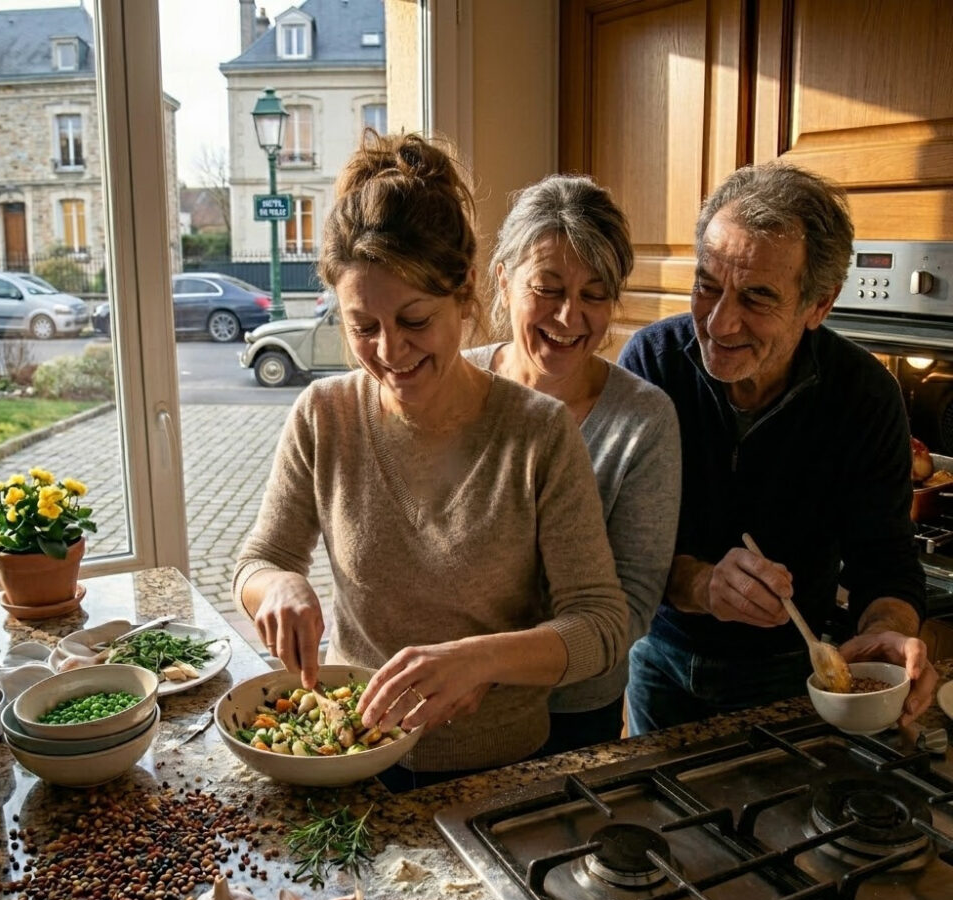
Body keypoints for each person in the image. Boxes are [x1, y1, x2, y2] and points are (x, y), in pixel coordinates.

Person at [233, 133, 628, 786]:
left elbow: (603, 627)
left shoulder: (538, 434)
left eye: (415, 321)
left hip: (501, 773)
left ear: (466, 294)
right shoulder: (323, 415)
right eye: (363, 327)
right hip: (353, 758)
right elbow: (260, 559)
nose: (389, 351)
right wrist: (276, 586)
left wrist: (482, 661)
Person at [619, 160, 937, 734]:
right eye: (706, 286)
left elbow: (886, 561)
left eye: (756, 298)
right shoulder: (651, 367)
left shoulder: (864, 395)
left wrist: (891, 626)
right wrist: (703, 584)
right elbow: (622, 551)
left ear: (819, 305)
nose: (718, 323)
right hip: (661, 662)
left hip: (793, 672)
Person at [466, 174, 680, 754]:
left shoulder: (644, 420)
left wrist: (488, 661)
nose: (569, 316)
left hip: (574, 710)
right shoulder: (453, 385)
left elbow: (633, 605)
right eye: (548, 287)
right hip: (452, 707)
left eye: (594, 294)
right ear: (504, 279)